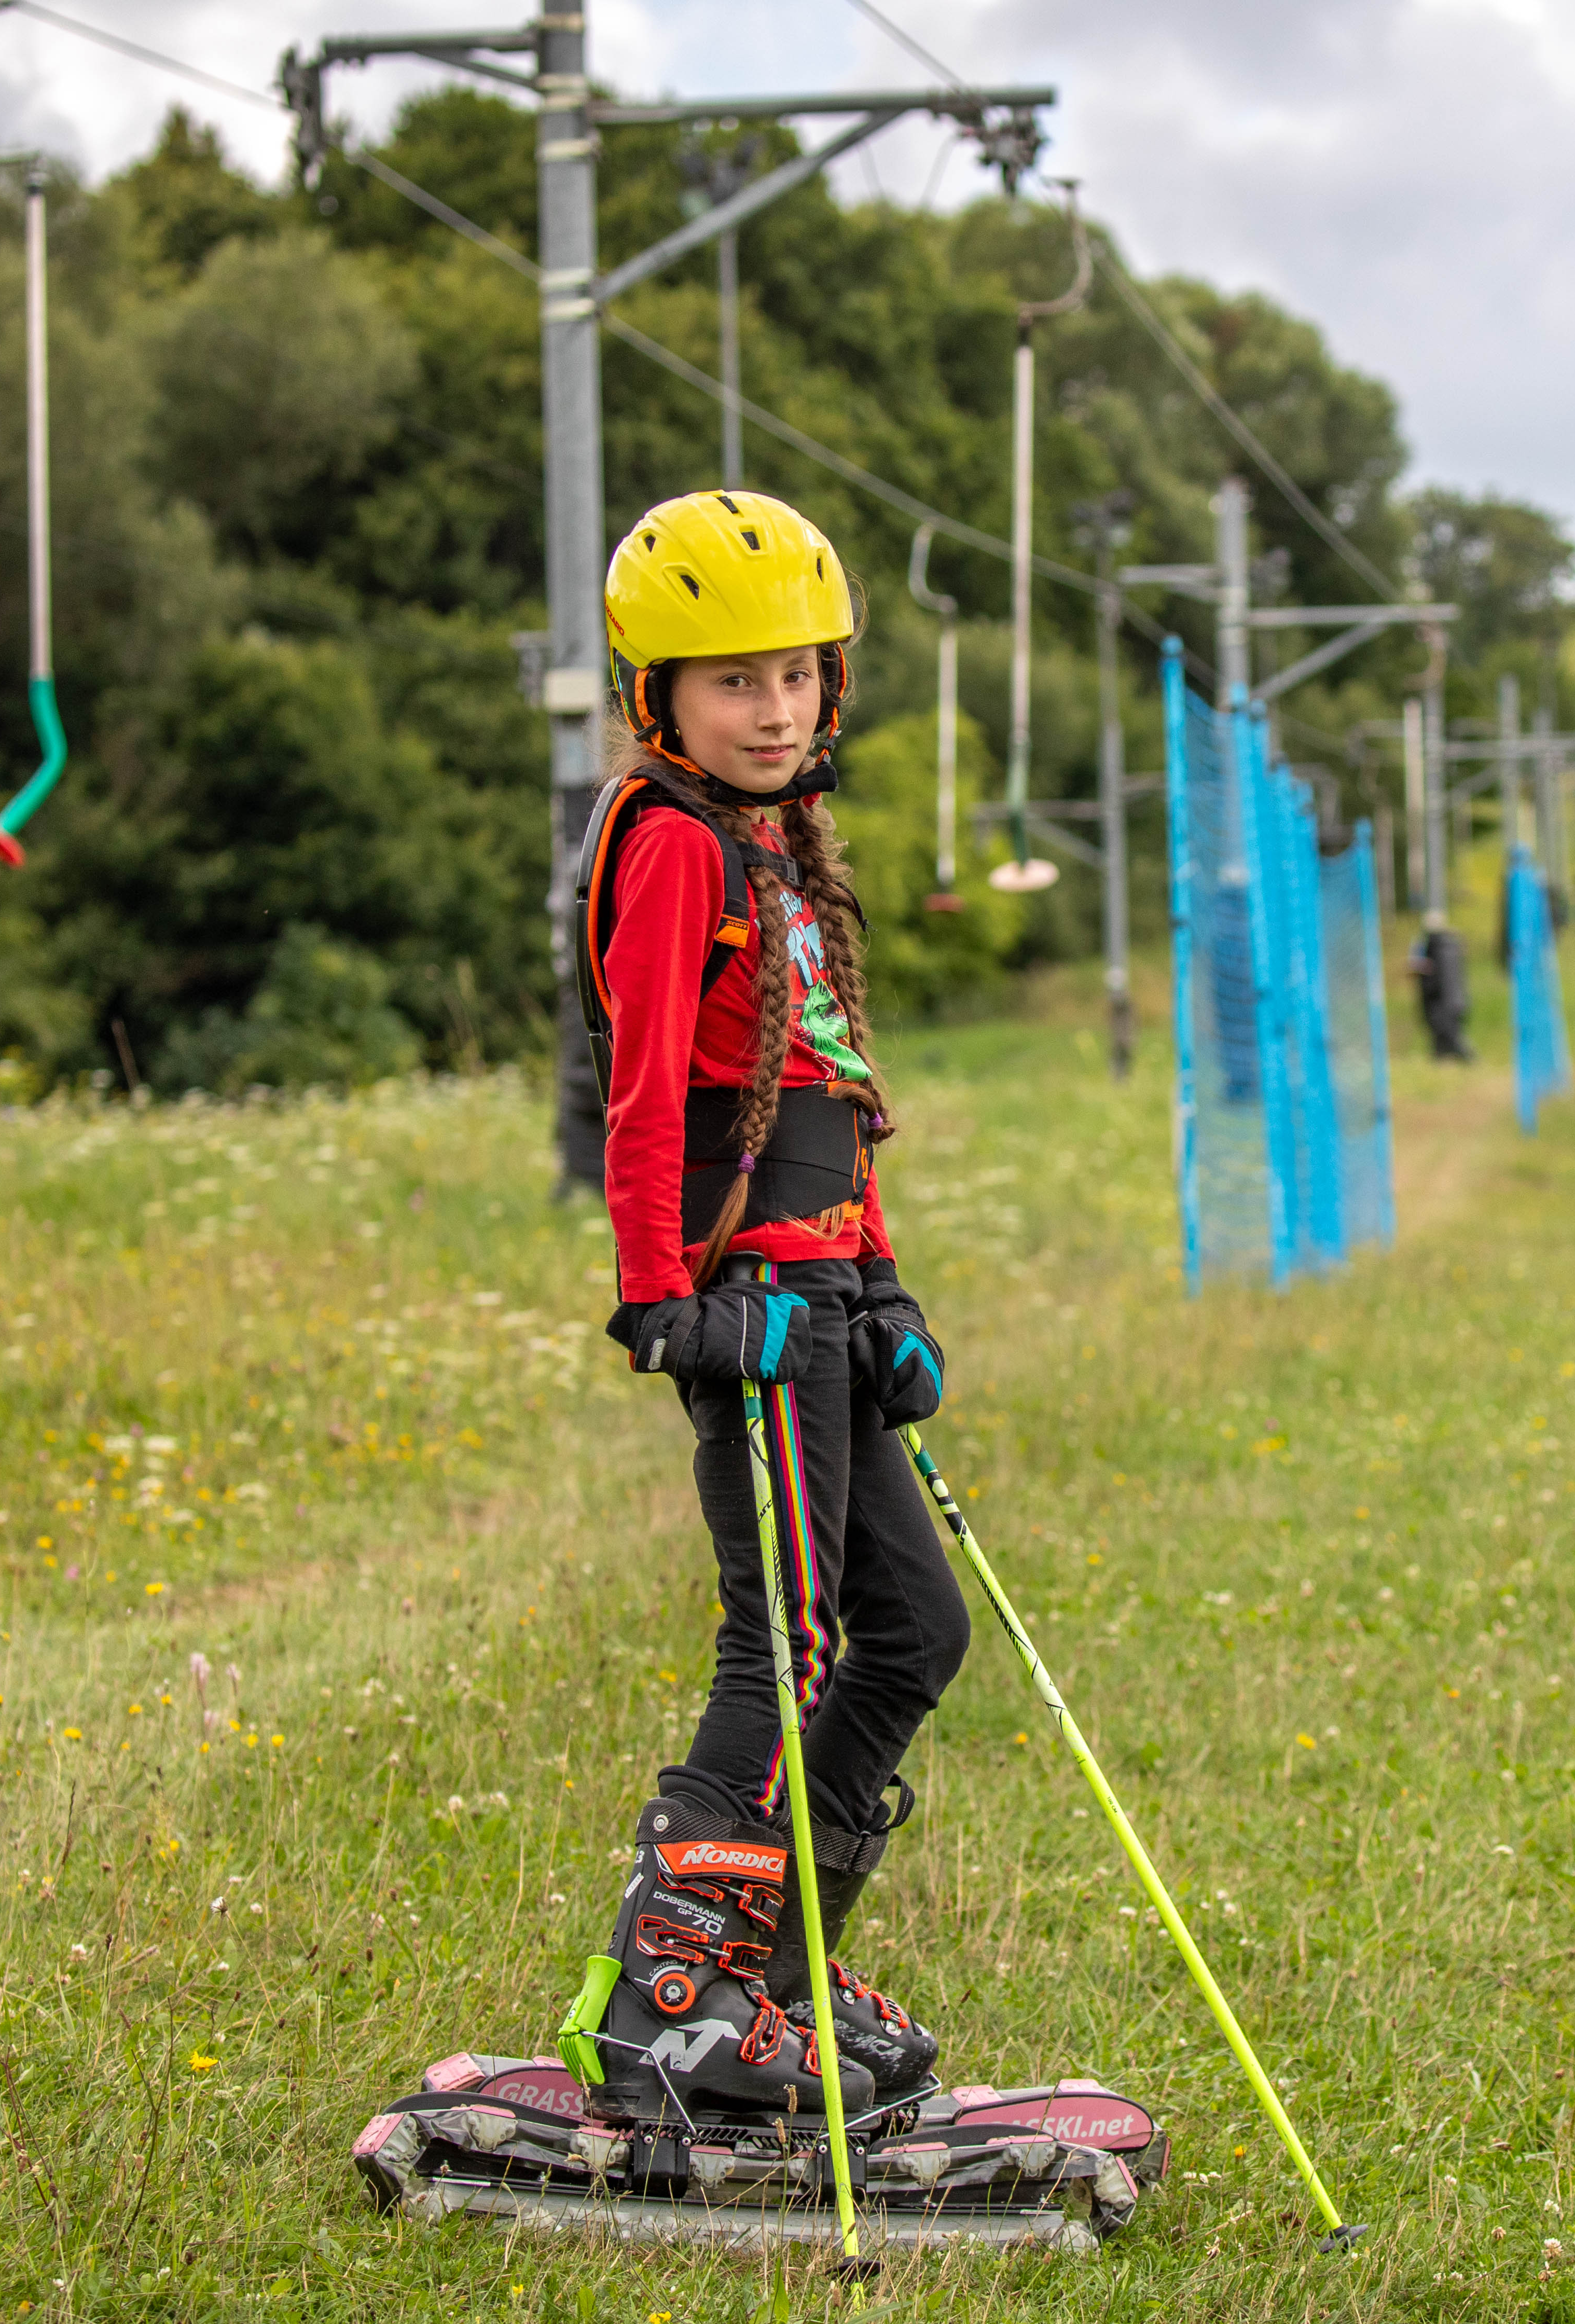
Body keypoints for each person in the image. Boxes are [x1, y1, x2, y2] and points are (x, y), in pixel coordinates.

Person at [565, 489, 965, 2125]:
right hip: (744, 1312)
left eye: (796, 675)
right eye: (733, 682)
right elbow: (647, 1092)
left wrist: (881, 1284)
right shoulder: (668, 845)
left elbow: (823, 1087)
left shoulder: (781, 844)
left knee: (914, 1633)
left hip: (823, 1297)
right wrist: (667, 1308)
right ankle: (667, 1999)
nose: (773, 708)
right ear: (659, 697)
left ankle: (768, 1978)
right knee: (789, 1645)